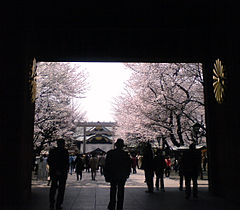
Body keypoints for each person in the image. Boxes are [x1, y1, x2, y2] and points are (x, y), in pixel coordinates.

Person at [104, 138, 131, 210]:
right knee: (121, 191)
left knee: (113, 189)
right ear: (122, 146)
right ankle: (120, 206)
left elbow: (107, 165)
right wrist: (127, 174)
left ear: (116, 145)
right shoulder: (125, 154)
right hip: (122, 175)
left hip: (113, 175)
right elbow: (128, 166)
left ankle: (112, 204)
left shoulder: (110, 153)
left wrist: (106, 175)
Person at [47, 139, 69, 210]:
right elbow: (66, 163)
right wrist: (62, 170)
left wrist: (55, 169)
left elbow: (49, 161)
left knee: (53, 187)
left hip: (54, 172)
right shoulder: (65, 151)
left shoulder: (52, 151)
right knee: (61, 189)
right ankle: (58, 204)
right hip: (62, 173)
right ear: (63, 144)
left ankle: (51, 203)